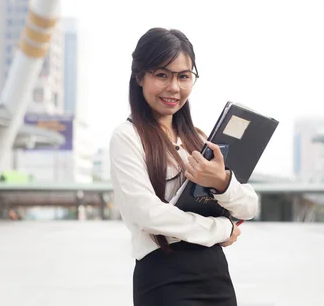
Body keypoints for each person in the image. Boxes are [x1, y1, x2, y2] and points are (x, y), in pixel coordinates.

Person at [109, 28, 259, 305]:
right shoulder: (127, 137)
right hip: (162, 278)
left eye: (183, 76)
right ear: (140, 77)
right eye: (162, 75)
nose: (174, 88)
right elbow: (146, 214)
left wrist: (222, 183)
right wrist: (221, 229)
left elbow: (249, 206)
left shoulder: (202, 140)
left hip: (215, 277)